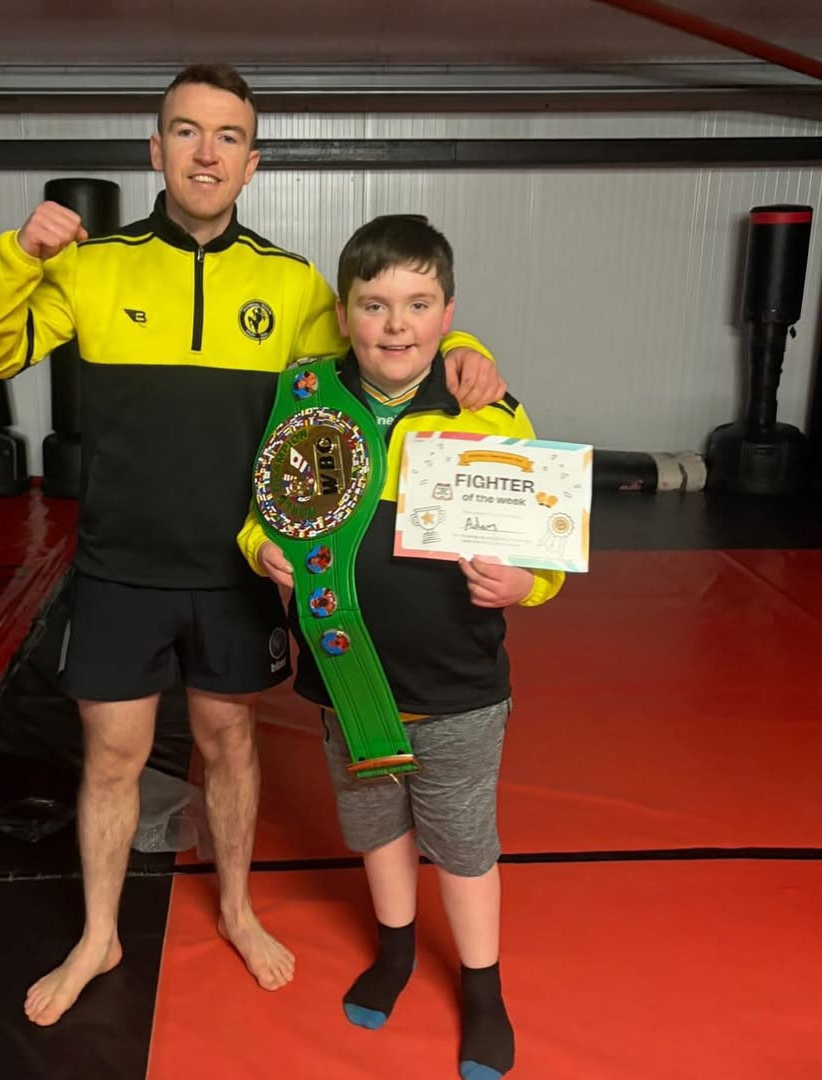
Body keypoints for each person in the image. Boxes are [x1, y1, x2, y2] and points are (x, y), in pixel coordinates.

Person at [0, 63, 507, 1028]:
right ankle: (99, 934)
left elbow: (382, 334)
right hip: (120, 565)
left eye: (226, 138)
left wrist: (476, 356)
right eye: (185, 132)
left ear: (252, 163)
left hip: (238, 570)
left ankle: (242, 909)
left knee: (230, 743)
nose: (204, 153)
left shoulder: (292, 285)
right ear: (154, 149)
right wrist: (18, 255)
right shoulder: (89, 266)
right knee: (112, 757)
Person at [239, 214, 564, 1079]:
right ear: (343, 314)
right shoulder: (307, 394)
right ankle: (394, 951)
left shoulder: (483, 406)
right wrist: (258, 549)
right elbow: (265, 507)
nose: (396, 324)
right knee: (377, 830)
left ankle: (485, 989)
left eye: (419, 305)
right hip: (346, 680)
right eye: (375, 305)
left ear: (448, 314)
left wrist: (526, 586)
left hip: (458, 685)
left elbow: (549, 544)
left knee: (462, 846)